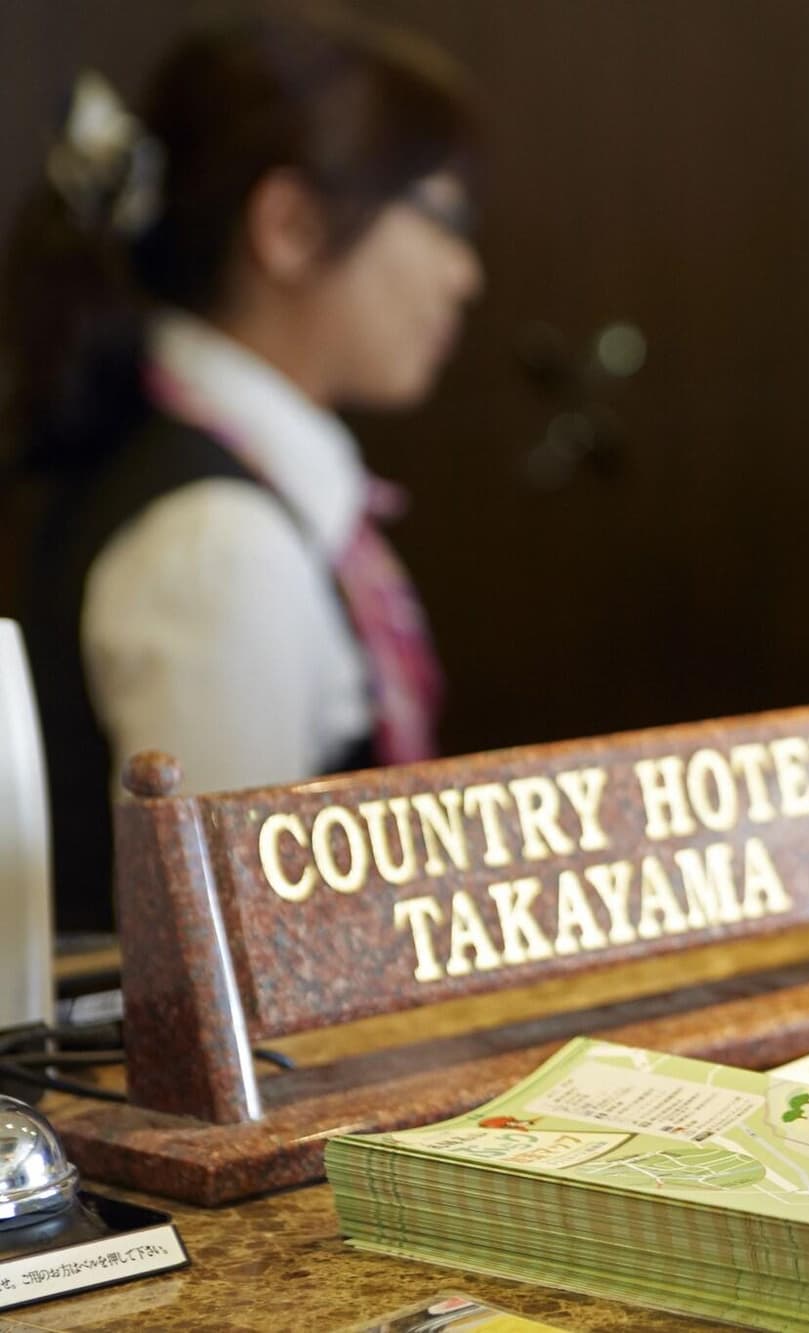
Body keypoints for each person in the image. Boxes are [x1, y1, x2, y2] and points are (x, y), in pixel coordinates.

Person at [3, 10, 485, 933]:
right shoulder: (217, 544)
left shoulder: (205, 471)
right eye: (443, 217)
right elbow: (235, 950)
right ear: (290, 225)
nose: (466, 274)